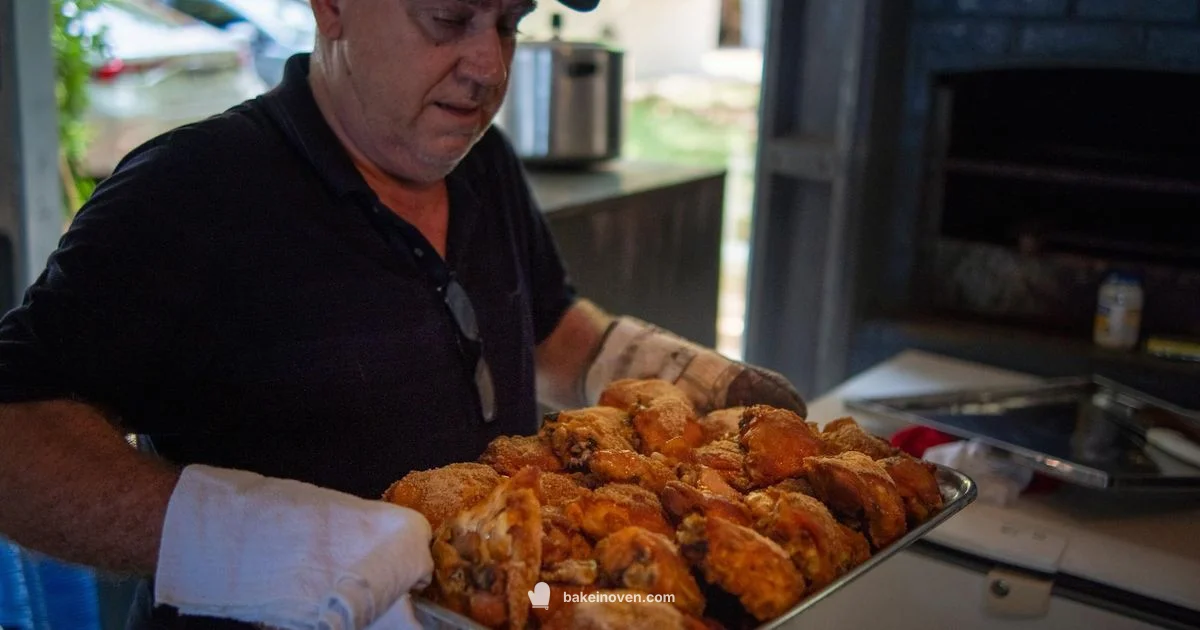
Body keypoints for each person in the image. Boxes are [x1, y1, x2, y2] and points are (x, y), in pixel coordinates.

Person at [0, 0, 805, 628]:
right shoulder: (192, 191)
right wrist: (270, 543)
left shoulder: (480, 162)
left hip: (506, 602)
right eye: (450, 18)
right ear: (333, 8)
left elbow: (548, 326)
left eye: (509, 22)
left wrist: (695, 377)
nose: (489, 65)